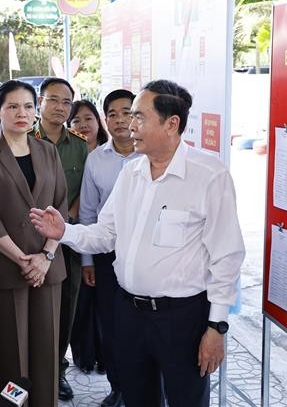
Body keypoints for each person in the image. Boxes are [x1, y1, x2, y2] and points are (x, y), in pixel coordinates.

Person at [30, 80, 245, 407]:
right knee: (138, 397)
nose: (130, 126)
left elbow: (226, 258)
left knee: (187, 399)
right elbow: (105, 234)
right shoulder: (131, 174)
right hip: (128, 312)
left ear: (172, 123)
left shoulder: (209, 176)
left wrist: (216, 326)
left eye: (140, 117)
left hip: (182, 318)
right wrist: (65, 233)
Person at [0, 80, 68, 406]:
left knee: (46, 351)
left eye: (27, 106)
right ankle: (15, 405)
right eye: (12, 106)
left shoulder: (47, 151)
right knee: (12, 357)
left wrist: (45, 257)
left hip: (47, 270)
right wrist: (24, 259)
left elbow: (61, 206)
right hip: (5, 270)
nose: (21, 113)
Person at [79, 89, 139, 407]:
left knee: (143, 327)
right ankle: (119, 388)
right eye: (112, 113)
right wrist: (88, 260)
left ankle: (146, 389)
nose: (119, 120)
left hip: (144, 254)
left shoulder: (151, 156)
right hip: (106, 254)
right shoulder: (96, 159)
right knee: (112, 326)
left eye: (126, 112)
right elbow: (88, 213)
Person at [30, 77, 88, 401]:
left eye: (67, 102)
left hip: (68, 242)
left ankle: (57, 372)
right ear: (40, 101)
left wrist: (65, 222)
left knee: (66, 308)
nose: (60, 107)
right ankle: (32, 370)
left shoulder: (79, 145)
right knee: (33, 309)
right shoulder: (23, 139)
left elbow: (82, 195)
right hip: (30, 240)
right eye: (54, 100)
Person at [67, 99, 108, 376]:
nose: (83, 125)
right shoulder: (69, 153)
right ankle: (83, 354)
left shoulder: (111, 153)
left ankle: (106, 356)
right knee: (79, 304)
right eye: (76, 120)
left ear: (98, 122)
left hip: (106, 237)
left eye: (88, 119)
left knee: (104, 306)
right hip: (73, 236)